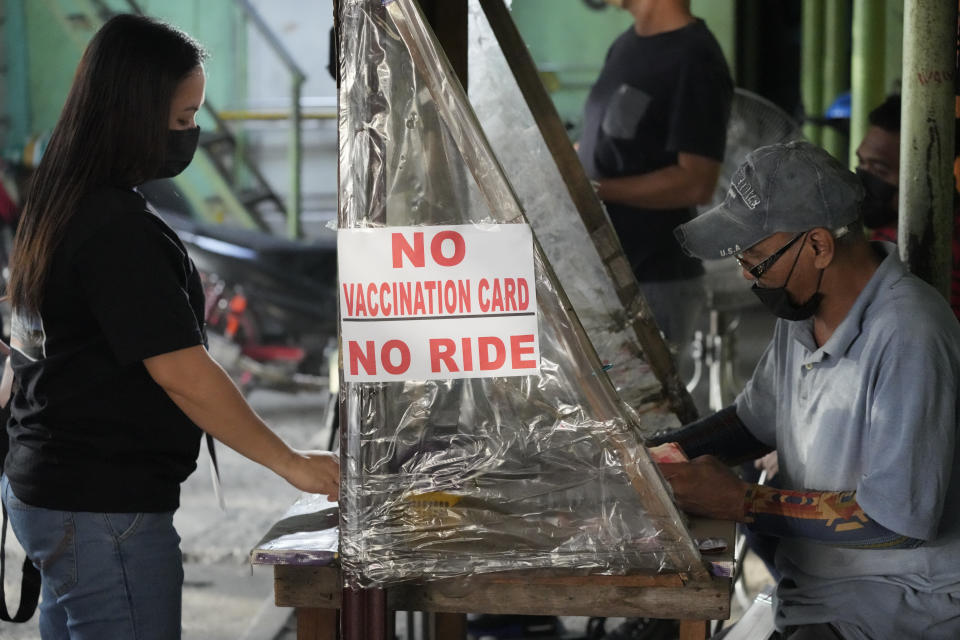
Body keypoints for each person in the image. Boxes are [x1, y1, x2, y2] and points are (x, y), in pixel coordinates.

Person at [0, 15, 339, 640]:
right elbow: (183, 372)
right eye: (181, 120)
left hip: (50, 487)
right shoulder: (114, 228)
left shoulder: (57, 194)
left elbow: (28, 347)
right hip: (100, 506)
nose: (190, 135)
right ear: (133, 112)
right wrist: (291, 462)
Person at [655, 140, 960, 639]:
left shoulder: (909, 334)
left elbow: (897, 521)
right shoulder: (803, 311)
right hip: (817, 588)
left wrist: (742, 502)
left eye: (755, 259)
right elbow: (754, 420)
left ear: (818, 246)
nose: (745, 272)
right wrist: (658, 455)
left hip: (899, 605)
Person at [577, 0, 733, 354]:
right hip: (608, 270)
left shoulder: (695, 58)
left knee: (645, 406)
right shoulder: (625, 45)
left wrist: (593, 190)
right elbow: (610, 146)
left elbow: (695, 182)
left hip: (653, 278)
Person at [855, 93, 960, 321]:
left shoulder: (948, 251)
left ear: (927, 177)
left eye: (880, 171)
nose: (863, 178)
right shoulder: (883, 233)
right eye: (862, 163)